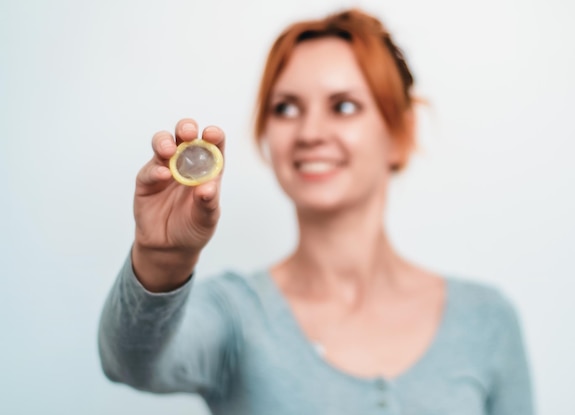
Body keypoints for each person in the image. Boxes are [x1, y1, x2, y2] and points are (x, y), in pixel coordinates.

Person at [98, 8, 534, 415]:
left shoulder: (487, 320)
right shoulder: (235, 314)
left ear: (401, 133)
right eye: (286, 108)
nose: (309, 132)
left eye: (343, 106)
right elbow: (130, 365)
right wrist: (162, 258)